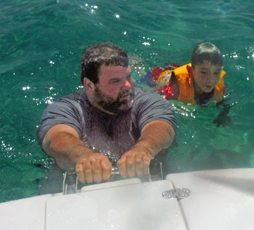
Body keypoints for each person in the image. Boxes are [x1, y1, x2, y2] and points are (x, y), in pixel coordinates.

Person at [37, 42, 176, 184]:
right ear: (89, 86)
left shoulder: (148, 100)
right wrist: (83, 156)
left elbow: (162, 127)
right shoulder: (65, 108)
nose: (128, 85)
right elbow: (55, 137)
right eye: (115, 81)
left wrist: (145, 148)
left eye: (128, 77)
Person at [148, 42, 233, 126]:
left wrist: (223, 115)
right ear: (190, 71)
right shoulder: (175, 89)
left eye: (216, 72)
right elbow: (156, 102)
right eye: (204, 72)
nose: (211, 79)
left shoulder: (219, 86)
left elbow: (223, 102)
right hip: (159, 75)